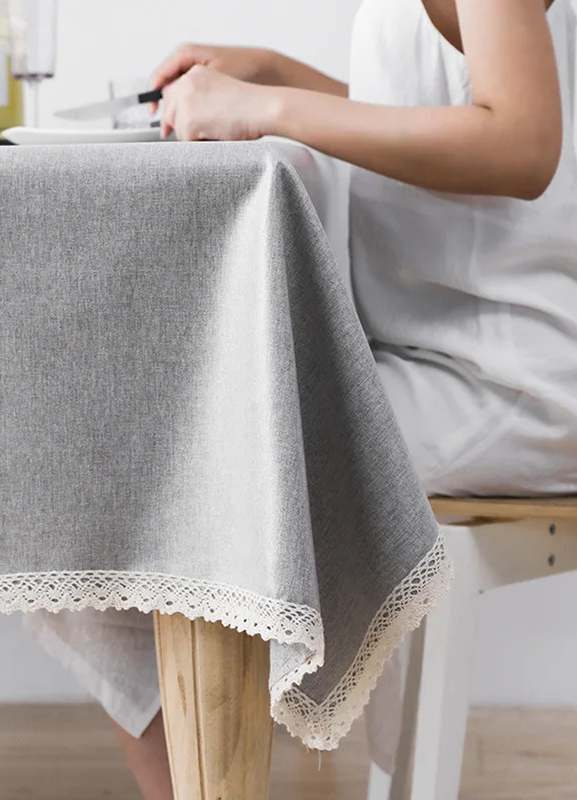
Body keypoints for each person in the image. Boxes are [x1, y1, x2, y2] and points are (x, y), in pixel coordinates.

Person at [29, 1, 577, 797]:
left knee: (160, 482)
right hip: (434, 359)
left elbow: (520, 142)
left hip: (503, 379)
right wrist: (275, 72)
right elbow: (441, 105)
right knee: (122, 481)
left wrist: (268, 105)